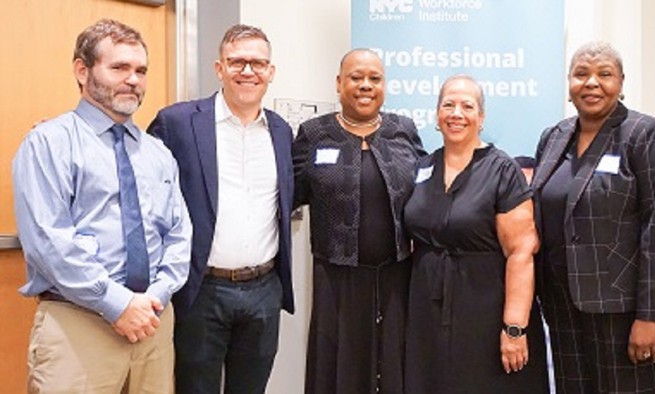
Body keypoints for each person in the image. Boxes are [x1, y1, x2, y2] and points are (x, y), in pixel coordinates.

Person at [12, 19, 191, 393]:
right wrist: (117, 304)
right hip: (79, 323)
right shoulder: (49, 143)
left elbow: (179, 234)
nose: (133, 79)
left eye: (141, 70)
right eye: (119, 67)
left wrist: (154, 298)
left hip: (153, 325)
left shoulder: (157, 153)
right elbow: (49, 242)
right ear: (82, 70)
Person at [147, 24, 294, 393]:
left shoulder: (280, 131)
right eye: (238, 62)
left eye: (258, 63)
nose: (248, 71)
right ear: (219, 68)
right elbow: (141, 183)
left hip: (263, 290)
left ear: (271, 72)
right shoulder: (177, 123)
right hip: (201, 291)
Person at [531, 41, 655, 393]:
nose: (592, 83)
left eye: (604, 74)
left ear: (621, 82)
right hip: (561, 302)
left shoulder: (644, 134)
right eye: (581, 74)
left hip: (623, 310)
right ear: (569, 83)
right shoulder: (553, 137)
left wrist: (651, 316)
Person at [403, 75, 548, 393]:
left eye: (467, 106)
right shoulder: (422, 168)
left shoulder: (502, 170)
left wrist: (514, 328)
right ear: (436, 115)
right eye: (448, 105)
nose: (457, 113)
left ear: (481, 118)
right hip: (427, 311)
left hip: (485, 311)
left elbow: (521, 252)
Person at [293, 48, 424, 394]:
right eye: (356, 78)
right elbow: (286, 195)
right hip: (336, 279)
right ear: (339, 84)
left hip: (397, 276)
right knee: (337, 368)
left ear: (384, 85)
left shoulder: (403, 130)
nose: (365, 85)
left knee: (396, 367)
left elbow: (427, 194)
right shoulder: (313, 134)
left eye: (374, 78)